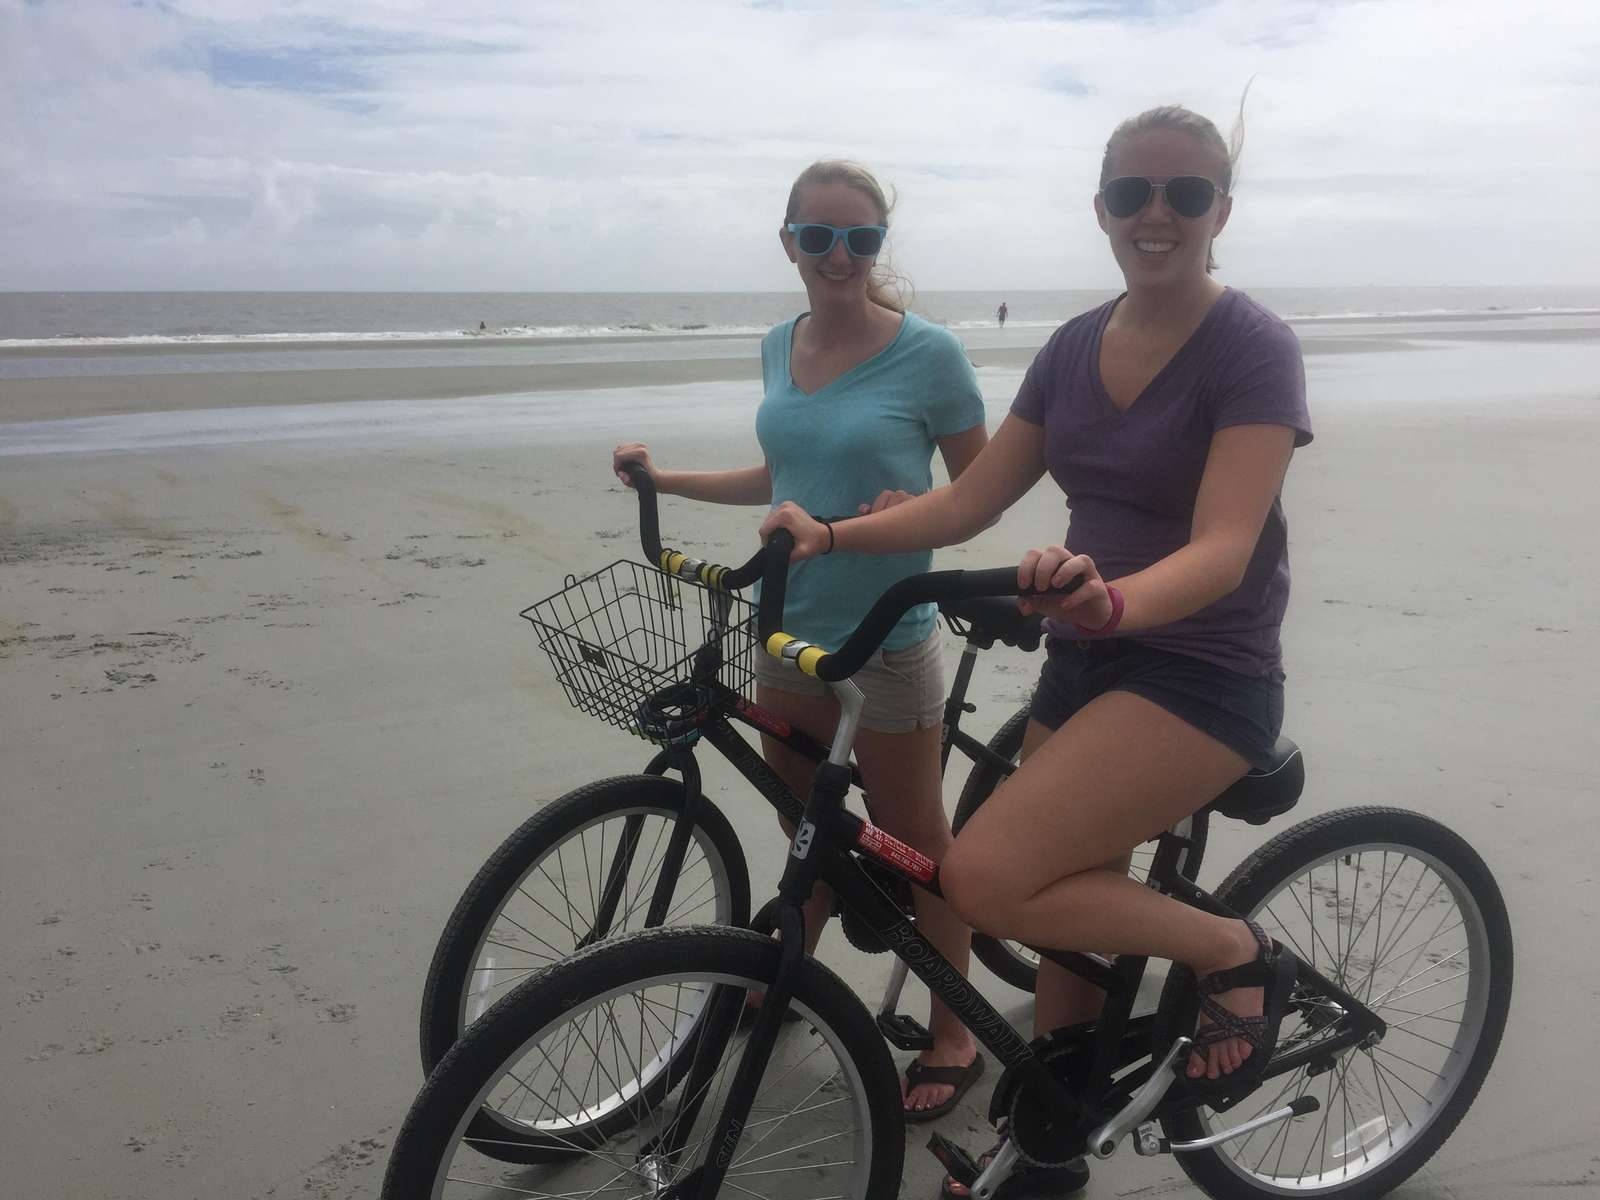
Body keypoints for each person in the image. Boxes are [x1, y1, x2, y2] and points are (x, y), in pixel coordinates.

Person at [762, 104, 1312, 1197]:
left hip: (1202, 670)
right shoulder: (1072, 347)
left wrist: (1111, 601)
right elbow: (968, 497)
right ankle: (1056, 1139)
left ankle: (1233, 955)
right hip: (1088, 656)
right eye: (1130, 194)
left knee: (989, 877)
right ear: (1100, 207)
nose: (1155, 214)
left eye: (1185, 194)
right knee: (1067, 925)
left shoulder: (1250, 347)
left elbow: (1222, 547)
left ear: (1220, 212)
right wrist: (832, 532)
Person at [612, 159, 992, 1121]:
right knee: (802, 822)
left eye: (860, 238)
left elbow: (974, 498)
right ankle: (788, 977)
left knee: (917, 843)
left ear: (878, 248)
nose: (839, 255)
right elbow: (782, 472)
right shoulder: (779, 345)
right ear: (788, 242)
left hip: (885, 634)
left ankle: (954, 1031)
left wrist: (918, 508)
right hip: (786, 629)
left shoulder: (931, 356)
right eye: (818, 236)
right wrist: (668, 483)